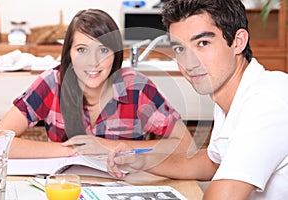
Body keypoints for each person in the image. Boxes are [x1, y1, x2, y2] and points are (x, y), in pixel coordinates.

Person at [107, 0, 288, 199]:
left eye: (202, 43)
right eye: (179, 49)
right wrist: (141, 161)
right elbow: (212, 162)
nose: (189, 63)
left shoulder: (267, 101)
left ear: (238, 42)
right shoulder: (231, 97)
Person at [0, 9, 192, 159]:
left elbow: (184, 145)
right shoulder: (53, 82)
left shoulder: (137, 88)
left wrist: (106, 146)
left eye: (103, 50)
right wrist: (72, 150)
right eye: (82, 50)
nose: (92, 61)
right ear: (69, 54)